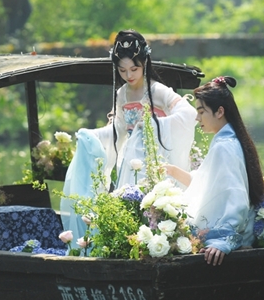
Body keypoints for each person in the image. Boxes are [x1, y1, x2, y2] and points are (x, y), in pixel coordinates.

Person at [60, 30, 197, 240]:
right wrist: (92, 135)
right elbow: (119, 129)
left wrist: (152, 125)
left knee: (159, 211)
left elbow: (188, 113)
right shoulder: (122, 93)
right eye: (122, 70)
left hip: (158, 162)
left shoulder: (158, 90)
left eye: (134, 69)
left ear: (145, 63)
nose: (129, 75)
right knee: (131, 211)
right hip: (131, 164)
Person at [165, 76, 264, 266]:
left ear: (220, 111)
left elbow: (236, 195)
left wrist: (224, 241)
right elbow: (207, 184)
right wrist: (173, 171)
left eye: (201, 112)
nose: (197, 118)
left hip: (232, 237)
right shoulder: (229, 139)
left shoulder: (225, 146)